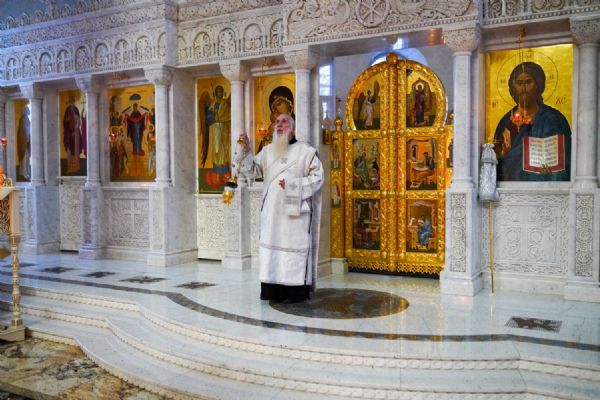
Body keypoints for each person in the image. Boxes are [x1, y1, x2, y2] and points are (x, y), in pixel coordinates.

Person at [237, 113, 323, 303]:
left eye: (284, 121)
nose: (279, 124)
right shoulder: (267, 151)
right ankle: (273, 291)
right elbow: (251, 171)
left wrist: (294, 185)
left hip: (295, 215)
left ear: (293, 127)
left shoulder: (306, 151)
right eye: (276, 122)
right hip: (272, 214)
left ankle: (295, 293)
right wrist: (246, 151)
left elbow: (318, 178)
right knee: (272, 251)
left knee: (293, 249)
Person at [493, 61, 571, 181]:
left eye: (528, 82)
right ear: (513, 87)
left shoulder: (553, 119)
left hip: (544, 186)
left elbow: (564, 160)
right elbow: (497, 161)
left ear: (538, 85)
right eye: (519, 83)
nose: (523, 88)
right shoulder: (505, 122)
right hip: (510, 186)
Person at [206, 85, 231, 174]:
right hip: (215, 128)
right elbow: (208, 117)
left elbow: (228, 116)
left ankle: (224, 166)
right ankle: (216, 166)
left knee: (223, 148)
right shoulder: (213, 104)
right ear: (215, 93)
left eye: (220, 91)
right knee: (216, 148)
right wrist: (212, 115)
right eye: (218, 91)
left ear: (223, 92)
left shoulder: (225, 104)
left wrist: (219, 118)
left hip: (223, 128)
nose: (219, 93)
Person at [63, 96, 82, 174]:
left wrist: (76, 129)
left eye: (73, 102)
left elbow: (78, 121)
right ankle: (70, 167)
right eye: (71, 102)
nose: (72, 103)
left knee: (76, 149)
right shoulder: (67, 110)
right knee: (69, 149)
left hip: (76, 134)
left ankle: (76, 166)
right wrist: (67, 120)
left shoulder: (76, 110)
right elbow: (64, 121)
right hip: (68, 133)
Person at [17, 106, 31, 180]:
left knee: (27, 157)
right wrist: (25, 138)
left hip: (27, 142)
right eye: (27, 110)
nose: (29, 112)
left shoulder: (27, 119)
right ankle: (23, 174)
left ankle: (27, 173)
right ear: (25, 111)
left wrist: (29, 138)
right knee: (24, 157)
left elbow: (29, 130)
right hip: (23, 141)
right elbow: (22, 131)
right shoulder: (22, 119)